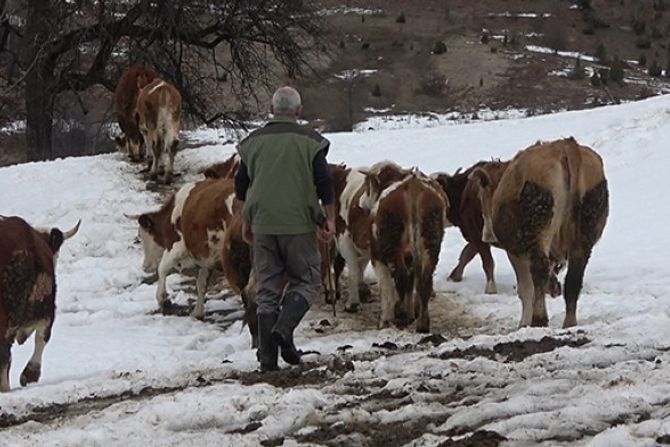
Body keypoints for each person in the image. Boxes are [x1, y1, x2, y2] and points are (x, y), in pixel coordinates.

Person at [234, 86, 336, 372]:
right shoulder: (311, 141)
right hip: (299, 225)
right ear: (299, 111)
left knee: (267, 289)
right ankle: (284, 327)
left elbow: (241, 184)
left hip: (262, 225)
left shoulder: (252, 143)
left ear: (271, 108)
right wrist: (329, 218)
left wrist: (245, 221)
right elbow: (324, 182)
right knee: (308, 279)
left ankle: (268, 358)